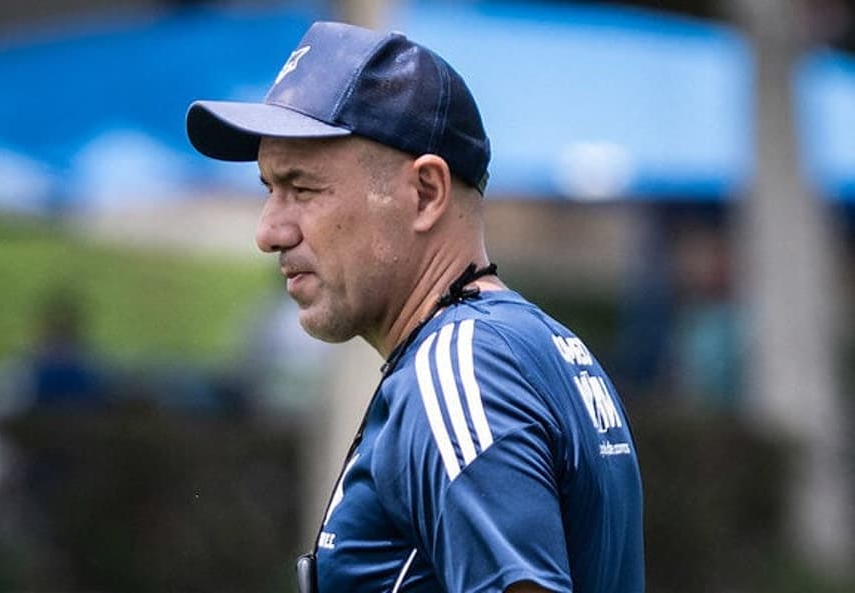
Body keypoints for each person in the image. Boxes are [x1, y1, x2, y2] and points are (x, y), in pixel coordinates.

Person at [186, 21, 643, 593]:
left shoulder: (461, 369)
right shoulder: (540, 344)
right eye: (267, 189)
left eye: (302, 189)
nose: (269, 231)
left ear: (426, 193)